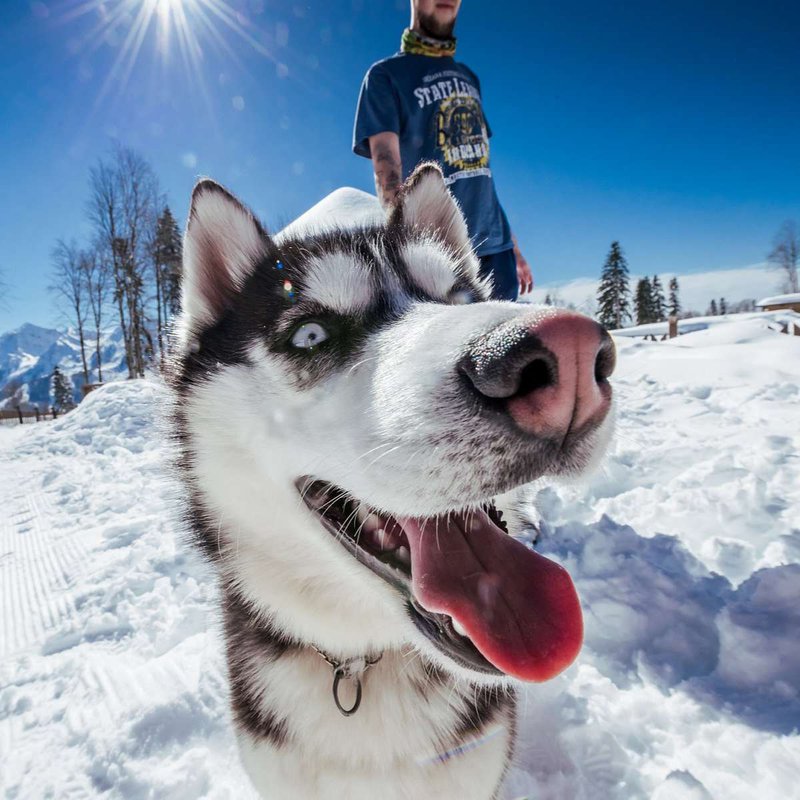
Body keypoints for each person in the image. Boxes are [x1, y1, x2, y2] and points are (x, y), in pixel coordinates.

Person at [353, 0, 533, 300]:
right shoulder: (385, 75)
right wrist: (406, 253)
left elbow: (480, 170)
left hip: (497, 252)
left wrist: (514, 248)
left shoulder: (468, 77)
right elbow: (386, 166)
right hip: (441, 254)